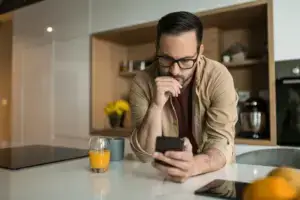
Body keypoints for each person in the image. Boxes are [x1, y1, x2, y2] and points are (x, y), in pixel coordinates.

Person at [129, 11, 238, 183]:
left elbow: (221, 142)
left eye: (186, 61)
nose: (175, 71)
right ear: (157, 49)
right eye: (166, 59)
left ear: (200, 51)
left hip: (212, 175)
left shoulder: (218, 77)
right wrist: (156, 106)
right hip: (159, 179)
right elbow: (144, 155)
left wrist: (193, 165)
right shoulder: (141, 82)